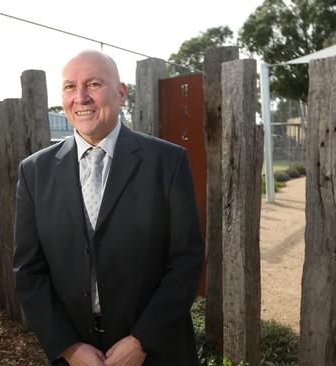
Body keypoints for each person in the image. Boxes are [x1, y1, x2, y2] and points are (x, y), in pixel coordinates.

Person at [13, 50, 204, 366]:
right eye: (70, 87)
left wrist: (143, 341)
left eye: (93, 84)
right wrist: (70, 347)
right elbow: (28, 272)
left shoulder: (167, 162)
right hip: (75, 355)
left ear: (121, 92)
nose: (81, 97)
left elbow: (187, 261)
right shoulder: (34, 172)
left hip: (157, 351)